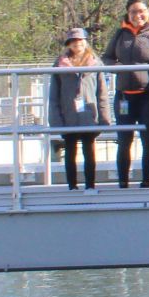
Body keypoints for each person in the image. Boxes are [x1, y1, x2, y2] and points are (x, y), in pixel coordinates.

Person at [103, 0, 149, 188]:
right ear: (128, 13)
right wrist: (118, 67)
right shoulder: (120, 34)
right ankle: (123, 182)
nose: (137, 15)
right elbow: (107, 58)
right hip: (124, 96)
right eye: (133, 11)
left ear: (148, 12)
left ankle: (146, 181)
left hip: (147, 96)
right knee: (124, 138)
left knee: (147, 138)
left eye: (141, 11)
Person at [49, 27, 108, 191]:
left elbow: (102, 92)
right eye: (73, 41)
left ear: (86, 41)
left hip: (90, 115)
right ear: (68, 44)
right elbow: (53, 95)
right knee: (70, 151)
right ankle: (72, 186)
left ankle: (90, 185)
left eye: (80, 40)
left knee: (89, 151)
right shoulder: (60, 64)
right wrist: (56, 120)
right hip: (69, 116)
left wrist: (104, 118)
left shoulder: (95, 62)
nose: (77, 44)